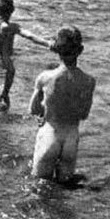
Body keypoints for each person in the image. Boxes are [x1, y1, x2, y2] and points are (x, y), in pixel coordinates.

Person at [29, 26, 96, 184]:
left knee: (38, 187)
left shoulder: (45, 77)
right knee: (65, 188)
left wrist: (42, 114)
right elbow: (84, 114)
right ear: (81, 50)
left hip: (49, 135)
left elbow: (33, 109)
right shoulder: (89, 81)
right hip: (71, 140)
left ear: (57, 50)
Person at [0, 0, 51, 110]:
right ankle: (5, 94)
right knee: (10, 71)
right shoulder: (13, 27)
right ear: (13, 11)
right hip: (7, 58)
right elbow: (30, 36)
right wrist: (48, 44)